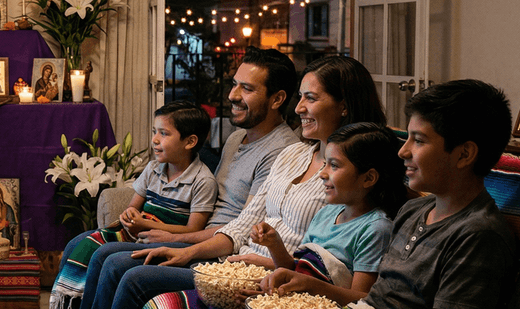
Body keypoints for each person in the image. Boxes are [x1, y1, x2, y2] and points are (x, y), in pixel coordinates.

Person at [91, 56, 387, 309]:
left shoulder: (346, 181)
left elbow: (320, 262)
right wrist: (185, 250)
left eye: (310, 98)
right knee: (113, 257)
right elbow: (243, 223)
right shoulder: (293, 153)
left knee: (130, 274)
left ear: (344, 107)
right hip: (234, 263)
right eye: (300, 97)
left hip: (267, 275)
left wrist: (257, 263)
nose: (298, 108)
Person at [73, 48, 301, 309]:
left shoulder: (281, 153)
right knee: (99, 252)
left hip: (221, 256)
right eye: (234, 84)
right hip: (201, 238)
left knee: (119, 266)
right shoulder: (238, 137)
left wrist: (178, 241)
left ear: (277, 99)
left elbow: (244, 228)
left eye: (247, 88)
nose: (232, 95)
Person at [270, 80, 518, 309]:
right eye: (407, 138)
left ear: (464, 155)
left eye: (419, 141)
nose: (403, 152)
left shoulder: (477, 236)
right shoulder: (413, 211)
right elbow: (376, 297)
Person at [147, 123, 406, 309]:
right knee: (161, 303)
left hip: (316, 302)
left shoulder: (375, 228)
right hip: (290, 298)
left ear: (369, 177)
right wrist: (274, 249)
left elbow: (361, 298)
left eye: (334, 165)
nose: (323, 173)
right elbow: (294, 268)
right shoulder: (327, 213)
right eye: (324, 163)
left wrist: (306, 286)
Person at [51, 101, 215, 308]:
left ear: (190, 142)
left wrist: (147, 225)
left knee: (103, 254)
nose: (155, 140)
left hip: (166, 240)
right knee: (76, 243)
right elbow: (132, 207)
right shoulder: (153, 168)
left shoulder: (203, 181)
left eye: (164, 133)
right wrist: (130, 216)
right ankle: (68, 301)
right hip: (138, 232)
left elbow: (193, 230)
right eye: (155, 131)